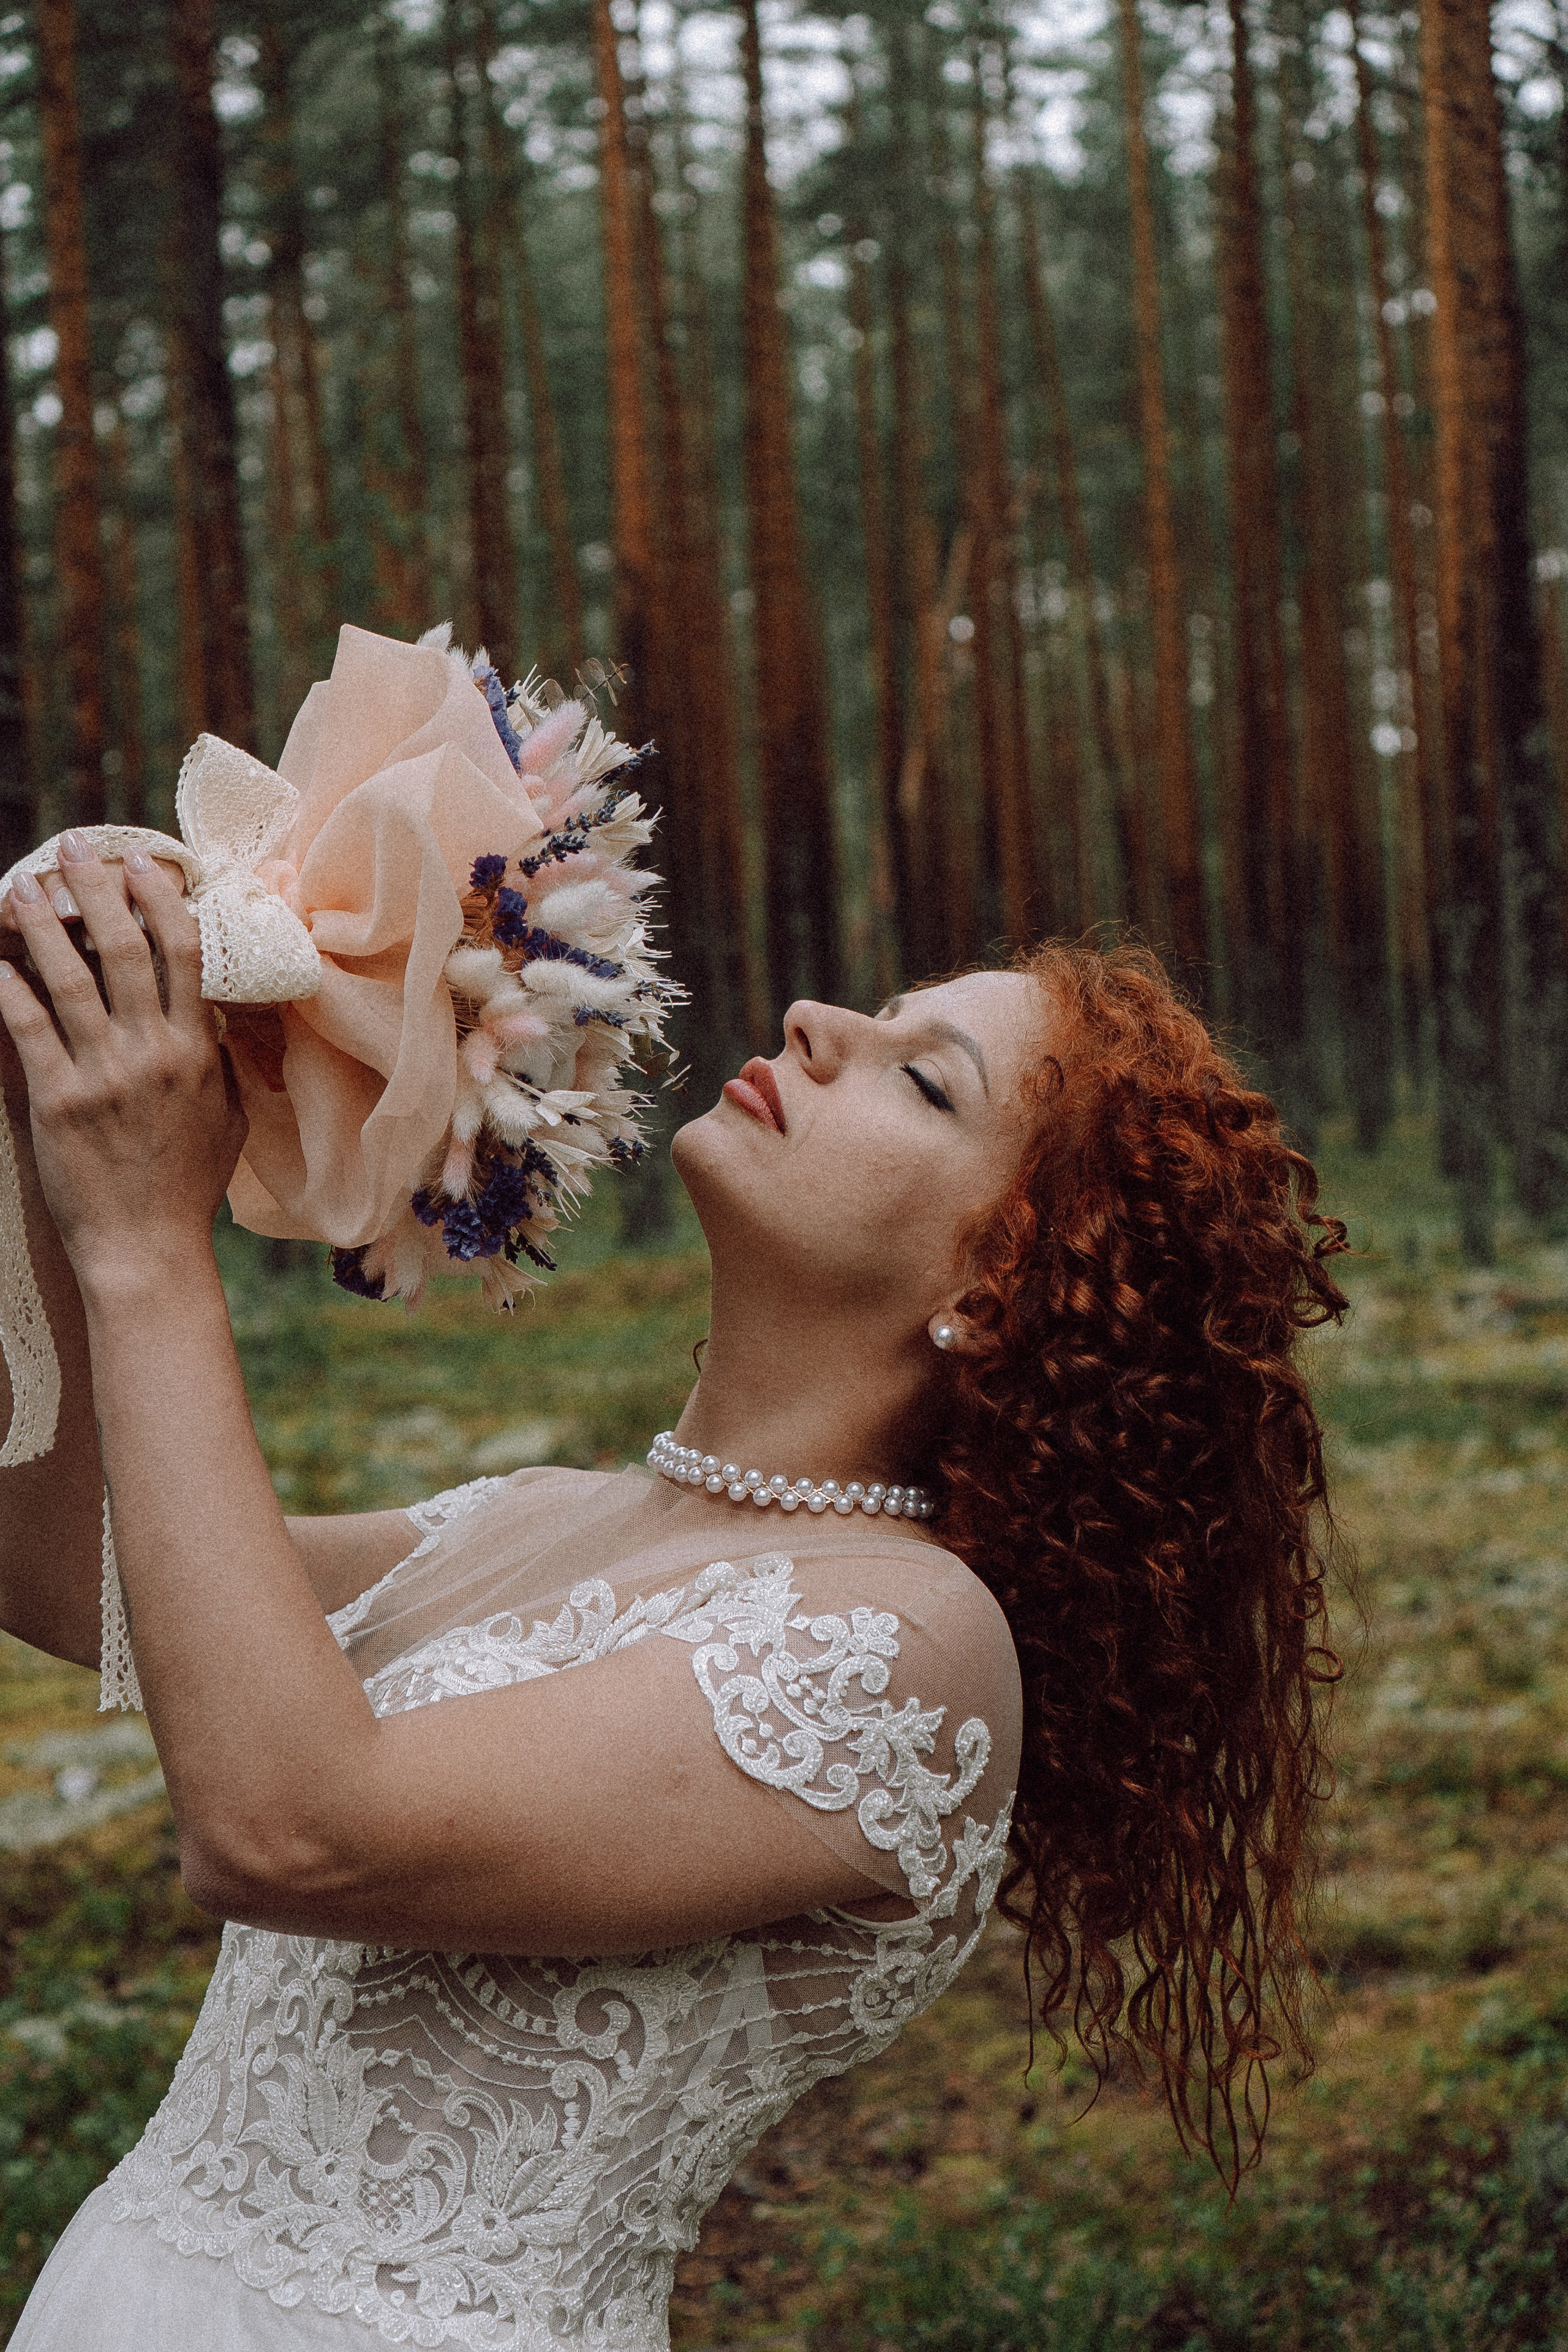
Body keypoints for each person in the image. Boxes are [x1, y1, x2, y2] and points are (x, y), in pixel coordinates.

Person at [0, 832, 1346, 2350]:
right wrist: (37, 1094)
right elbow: (60, 1562)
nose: (817, 1026)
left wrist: (142, 1242)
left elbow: (286, 1830)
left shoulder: (912, 1646)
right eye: (872, 1013)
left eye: (921, 1078)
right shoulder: (532, 1517)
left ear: (991, 1286)